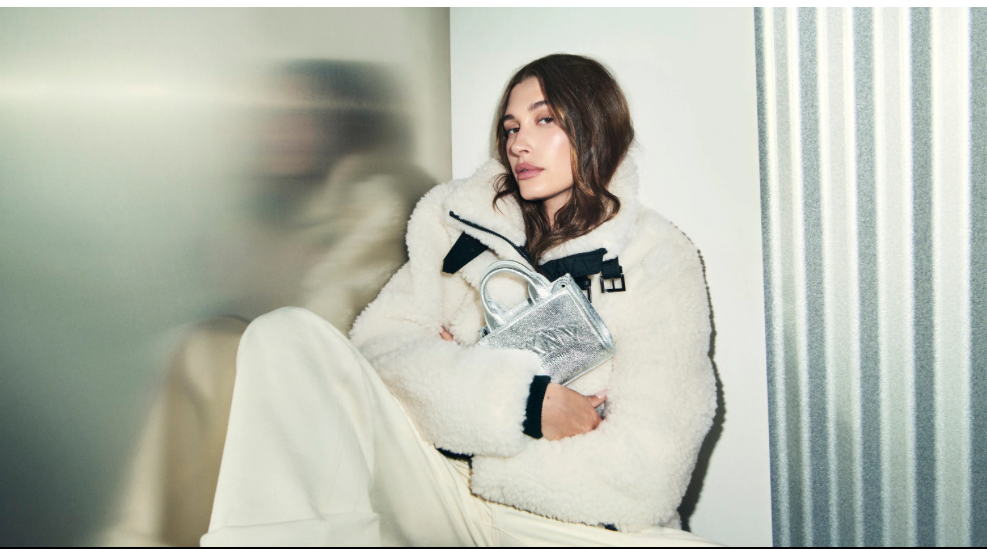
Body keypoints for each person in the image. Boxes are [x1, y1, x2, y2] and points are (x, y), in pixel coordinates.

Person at [201, 54, 719, 547]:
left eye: (544, 121)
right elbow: (379, 354)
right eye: (511, 128)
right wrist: (526, 406)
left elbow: (651, 471)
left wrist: (463, 415)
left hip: (574, 525)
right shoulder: (458, 228)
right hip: (446, 494)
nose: (519, 144)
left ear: (596, 127)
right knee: (281, 335)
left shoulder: (656, 256)